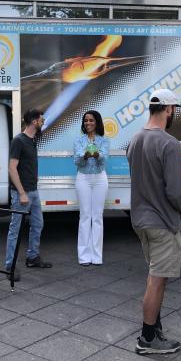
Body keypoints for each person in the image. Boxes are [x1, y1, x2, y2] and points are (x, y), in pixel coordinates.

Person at [127, 88, 181, 355]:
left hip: (140, 220)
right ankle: (147, 339)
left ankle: (155, 329)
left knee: (156, 277)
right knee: (157, 280)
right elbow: (175, 192)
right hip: (163, 222)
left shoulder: (134, 139)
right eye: (173, 109)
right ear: (168, 109)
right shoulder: (170, 144)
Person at [6, 108, 52, 281]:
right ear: (34, 121)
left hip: (33, 191)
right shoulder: (18, 141)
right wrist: (22, 193)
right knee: (15, 230)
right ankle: (10, 265)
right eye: (41, 119)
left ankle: (32, 257)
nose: (43, 122)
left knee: (38, 224)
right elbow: (12, 168)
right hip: (22, 193)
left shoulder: (33, 140)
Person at [73, 110, 110, 266]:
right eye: (86, 121)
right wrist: (85, 156)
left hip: (100, 178)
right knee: (85, 216)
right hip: (83, 178)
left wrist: (97, 155)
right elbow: (77, 160)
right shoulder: (78, 140)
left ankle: (96, 256)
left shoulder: (104, 140)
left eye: (91, 120)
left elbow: (104, 159)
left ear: (97, 122)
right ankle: (83, 256)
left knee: (97, 217)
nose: (88, 123)